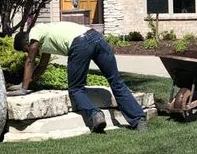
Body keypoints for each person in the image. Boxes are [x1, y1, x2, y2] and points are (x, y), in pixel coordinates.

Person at [10, 22, 148, 133]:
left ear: (26, 44)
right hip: (97, 37)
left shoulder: (35, 31)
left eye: (25, 50)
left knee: (75, 89)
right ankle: (139, 120)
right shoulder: (45, 39)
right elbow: (41, 67)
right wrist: (25, 82)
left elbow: (30, 61)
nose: (28, 52)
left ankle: (95, 114)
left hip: (80, 43)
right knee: (116, 82)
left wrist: (23, 89)